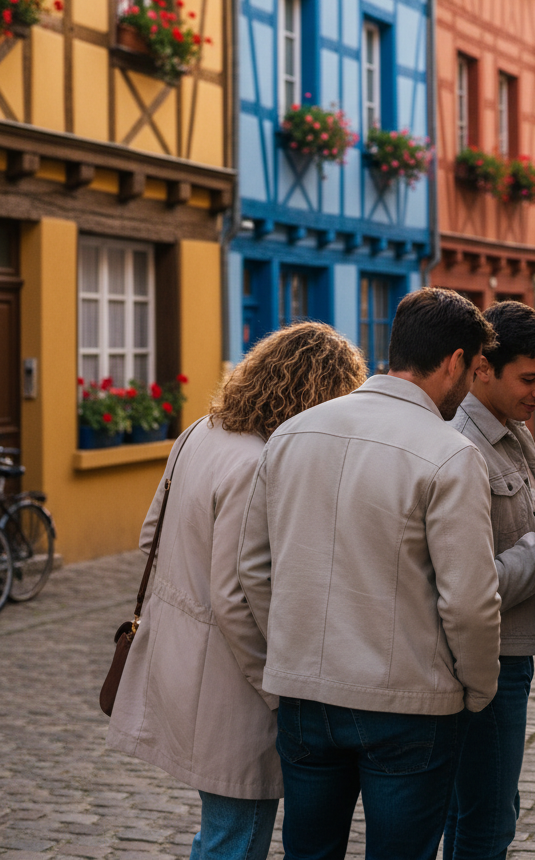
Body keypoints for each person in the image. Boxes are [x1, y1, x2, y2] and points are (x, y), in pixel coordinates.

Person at [238, 287, 502, 860]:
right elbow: (469, 602)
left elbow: (253, 570)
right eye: (474, 368)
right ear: (455, 361)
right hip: (411, 701)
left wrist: (287, 652)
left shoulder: (292, 433)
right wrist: (479, 687)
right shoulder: (449, 453)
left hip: (306, 693)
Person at [107, 322, 367, 860]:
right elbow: (234, 597)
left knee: (221, 828)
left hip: (178, 657)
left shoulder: (200, 431)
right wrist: (278, 687)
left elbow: (150, 536)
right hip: (229, 680)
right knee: (237, 834)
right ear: (316, 396)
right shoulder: (257, 461)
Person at [445, 301, 535, 860]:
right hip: (485, 659)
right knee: (487, 822)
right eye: (530, 378)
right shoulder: (461, 444)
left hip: (511, 652)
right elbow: (473, 582)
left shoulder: (512, 427)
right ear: (482, 368)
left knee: (483, 808)